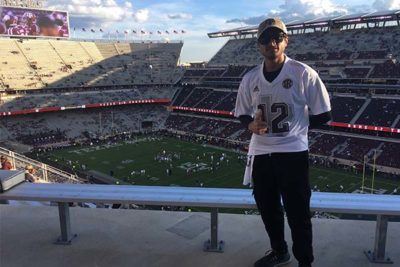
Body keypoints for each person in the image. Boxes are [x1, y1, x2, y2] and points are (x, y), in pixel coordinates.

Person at [235, 18, 332, 267]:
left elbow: (324, 115)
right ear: (259, 45)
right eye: (266, 39)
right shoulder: (250, 78)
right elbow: (242, 113)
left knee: (298, 214)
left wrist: (297, 125)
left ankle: (305, 262)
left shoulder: (303, 73)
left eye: (277, 37)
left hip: (292, 153)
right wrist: (250, 125)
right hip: (261, 153)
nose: (272, 43)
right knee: (269, 211)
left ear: (286, 41)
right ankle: (280, 252)